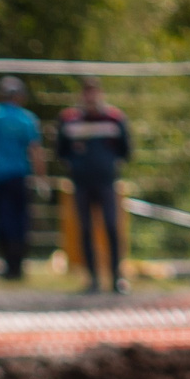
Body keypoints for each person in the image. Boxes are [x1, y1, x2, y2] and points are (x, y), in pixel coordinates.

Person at [56, 75, 132, 293]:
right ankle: (93, 279)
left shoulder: (114, 118)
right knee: (85, 229)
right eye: (86, 92)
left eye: (94, 91)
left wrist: (110, 165)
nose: (90, 96)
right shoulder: (69, 119)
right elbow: (61, 151)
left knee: (111, 226)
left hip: (107, 182)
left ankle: (117, 277)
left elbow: (125, 150)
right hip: (81, 184)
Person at [0, 76, 46, 280]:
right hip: (22, 178)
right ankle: (18, 266)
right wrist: (41, 178)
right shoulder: (27, 118)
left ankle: (8, 264)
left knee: (2, 220)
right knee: (21, 221)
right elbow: (36, 152)